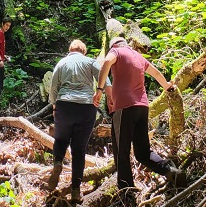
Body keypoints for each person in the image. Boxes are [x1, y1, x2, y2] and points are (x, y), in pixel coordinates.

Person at [93, 37, 183, 197]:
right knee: (143, 152)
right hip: (142, 107)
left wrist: (99, 89)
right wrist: (167, 86)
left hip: (124, 108)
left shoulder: (116, 52)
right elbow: (155, 72)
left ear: (114, 46)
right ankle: (170, 171)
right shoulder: (138, 56)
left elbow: (106, 62)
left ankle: (127, 193)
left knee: (122, 152)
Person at [46, 40, 107, 204]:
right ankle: (75, 191)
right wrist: (101, 93)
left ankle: (58, 162)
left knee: (60, 139)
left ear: (69, 50)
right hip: (87, 107)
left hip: (64, 104)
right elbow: (105, 79)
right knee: (79, 149)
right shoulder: (90, 62)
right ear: (84, 51)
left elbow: (53, 86)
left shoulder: (62, 62)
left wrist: (54, 104)